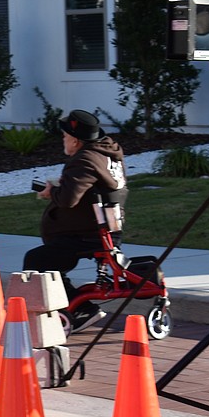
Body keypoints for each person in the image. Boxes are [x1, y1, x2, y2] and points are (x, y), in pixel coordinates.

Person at [23, 109, 127, 333]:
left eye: (64, 135)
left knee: (36, 261)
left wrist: (51, 192)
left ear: (76, 140)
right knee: (47, 261)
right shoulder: (108, 152)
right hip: (105, 230)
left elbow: (68, 200)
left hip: (85, 236)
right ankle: (76, 307)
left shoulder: (84, 160)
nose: (62, 138)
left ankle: (79, 310)